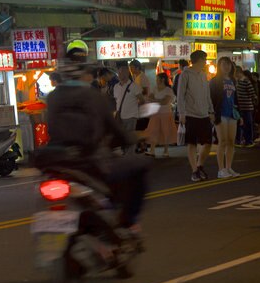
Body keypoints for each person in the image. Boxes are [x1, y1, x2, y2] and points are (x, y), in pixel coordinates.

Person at [44, 64, 149, 232]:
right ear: (85, 76)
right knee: (139, 164)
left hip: (59, 162)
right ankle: (128, 219)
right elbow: (116, 130)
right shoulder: (93, 96)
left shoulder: (53, 97)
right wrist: (133, 137)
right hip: (89, 163)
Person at [177, 50, 214, 182]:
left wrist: (211, 111)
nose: (205, 61)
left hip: (204, 113)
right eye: (204, 59)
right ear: (198, 60)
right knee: (192, 143)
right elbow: (180, 95)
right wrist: (181, 113)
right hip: (190, 114)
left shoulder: (204, 75)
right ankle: (194, 170)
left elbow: (207, 94)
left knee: (208, 142)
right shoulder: (185, 74)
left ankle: (199, 165)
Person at [209, 57, 239, 179]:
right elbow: (210, 98)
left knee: (231, 142)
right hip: (220, 114)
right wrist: (211, 113)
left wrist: (239, 114)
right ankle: (221, 170)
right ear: (219, 66)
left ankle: (228, 167)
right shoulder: (215, 81)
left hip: (232, 114)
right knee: (222, 141)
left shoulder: (233, 80)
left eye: (228, 64)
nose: (226, 66)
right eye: (223, 64)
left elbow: (235, 99)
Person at [112, 61, 141, 155]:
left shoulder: (134, 86)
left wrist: (135, 108)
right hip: (120, 117)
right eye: (119, 73)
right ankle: (126, 155)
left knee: (129, 137)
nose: (120, 74)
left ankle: (130, 156)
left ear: (127, 73)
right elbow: (117, 101)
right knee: (122, 137)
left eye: (122, 72)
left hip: (131, 116)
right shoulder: (116, 87)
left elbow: (142, 100)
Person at [144, 73, 175, 158]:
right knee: (153, 131)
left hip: (165, 114)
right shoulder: (155, 88)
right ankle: (152, 150)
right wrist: (157, 100)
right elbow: (151, 98)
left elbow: (164, 102)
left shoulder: (168, 90)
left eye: (157, 79)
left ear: (162, 80)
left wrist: (154, 100)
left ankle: (166, 150)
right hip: (156, 113)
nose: (156, 81)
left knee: (166, 131)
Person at [235, 67, 257, 148]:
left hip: (247, 107)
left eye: (235, 73)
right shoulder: (237, 82)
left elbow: (252, 94)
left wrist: (254, 103)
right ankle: (242, 140)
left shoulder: (246, 81)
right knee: (241, 125)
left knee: (248, 124)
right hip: (240, 107)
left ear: (239, 72)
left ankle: (249, 141)